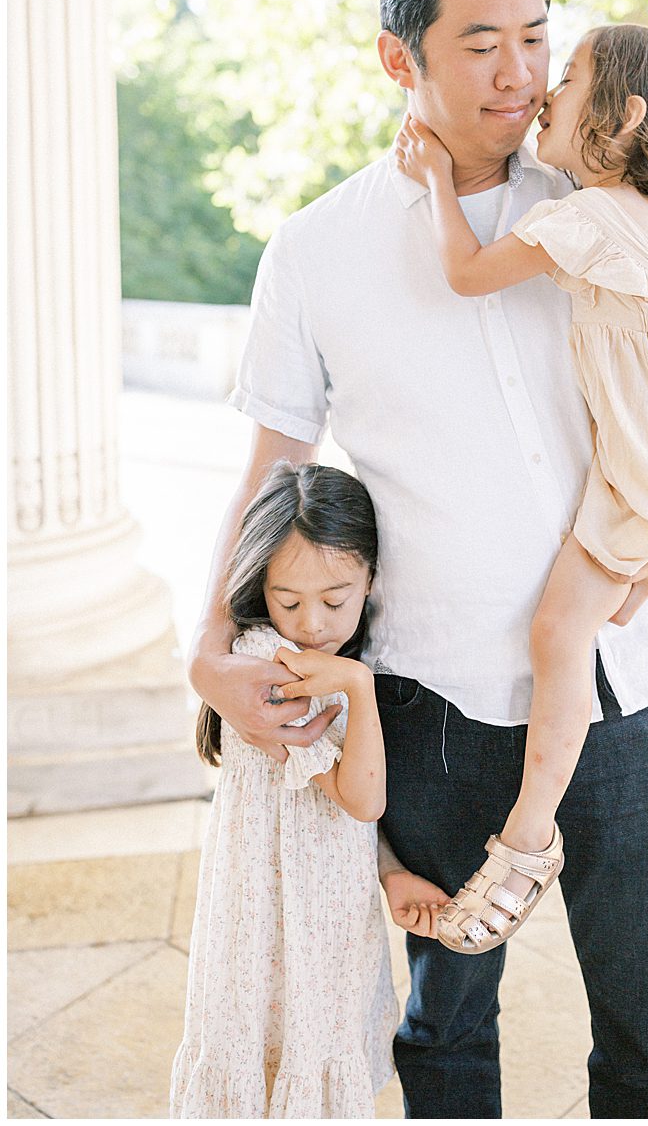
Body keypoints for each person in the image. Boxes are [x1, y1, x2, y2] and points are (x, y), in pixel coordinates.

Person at [188, 0, 648, 1119]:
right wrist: (205, 649)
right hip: (435, 710)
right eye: (482, 42)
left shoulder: (615, 205)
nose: (520, 72)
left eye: (539, 38)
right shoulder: (316, 252)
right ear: (401, 60)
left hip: (635, 689)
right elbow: (270, 466)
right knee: (443, 1032)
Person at [395, 23, 648, 953]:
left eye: (568, 76)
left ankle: (526, 839)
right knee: (583, 621)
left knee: (559, 631)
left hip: (642, 482)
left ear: (627, 116)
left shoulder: (592, 217)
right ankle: (532, 832)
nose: (547, 91)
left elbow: (469, 273)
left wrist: (438, 181)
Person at [171, 461, 403, 1119]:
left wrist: (391, 871)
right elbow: (361, 797)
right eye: (288, 599)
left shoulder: (309, 657)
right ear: (256, 586)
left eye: (335, 599)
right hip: (289, 916)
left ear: (371, 580)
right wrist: (356, 684)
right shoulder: (280, 670)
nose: (312, 623)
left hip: (307, 902)